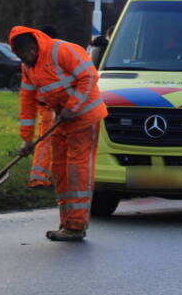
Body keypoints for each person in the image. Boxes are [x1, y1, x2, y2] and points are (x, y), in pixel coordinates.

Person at [10, 26, 108, 241]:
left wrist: (72, 107)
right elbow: (27, 102)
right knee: (60, 170)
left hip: (85, 116)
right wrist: (26, 139)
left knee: (77, 170)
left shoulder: (63, 50)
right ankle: (66, 223)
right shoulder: (28, 67)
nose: (25, 60)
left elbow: (89, 77)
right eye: (20, 57)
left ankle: (76, 226)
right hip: (61, 119)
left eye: (26, 55)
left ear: (34, 47)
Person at [26, 25, 59, 190]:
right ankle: (38, 178)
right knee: (46, 142)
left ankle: (45, 177)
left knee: (49, 142)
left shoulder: (37, 56)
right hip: (49, 108)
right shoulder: (51, 56)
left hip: (45, 107)